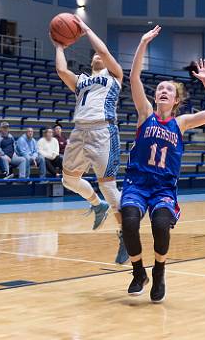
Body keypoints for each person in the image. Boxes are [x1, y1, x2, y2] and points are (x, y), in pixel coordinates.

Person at [121, 25, 205, 303]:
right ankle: (139, 271)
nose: (163, 91)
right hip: (136, 183)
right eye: (160, 89)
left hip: (163, 187)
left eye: (169, 90)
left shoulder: (181, 122)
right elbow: (134, 78)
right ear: (155, 96)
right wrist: (142, 43)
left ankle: (160, 271)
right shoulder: (145, 114)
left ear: (176, 100)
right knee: (129, 221)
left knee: (160, 226)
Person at [52, 15, 128, 264]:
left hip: (103, 131)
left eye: (100, 56)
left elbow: (103, 50)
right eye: (93, 56)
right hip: (79, 132)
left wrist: (85, 28)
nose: (97, 56)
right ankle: (98, 206)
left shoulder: (114, 75)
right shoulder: (82, 81)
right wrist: (59, 47)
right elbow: (62, 70)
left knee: (108, 185)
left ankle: (125, 234)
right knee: (69, 179)